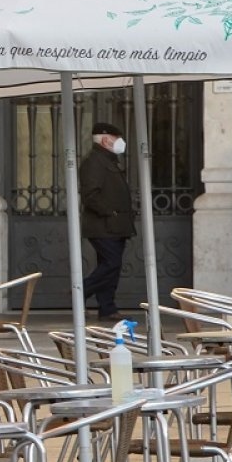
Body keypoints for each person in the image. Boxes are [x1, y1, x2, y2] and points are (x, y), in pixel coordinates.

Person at [80, 122, 135, 322]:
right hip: (103, 225)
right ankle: (80, 293)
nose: (120, 142)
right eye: (116, 137)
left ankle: (107, 307)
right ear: (105, 140)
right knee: (111, 263)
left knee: (111, 265)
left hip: (115, 225)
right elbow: (90, 195)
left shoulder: (108, 160)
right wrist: (109, 212)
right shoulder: (94, 162)